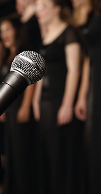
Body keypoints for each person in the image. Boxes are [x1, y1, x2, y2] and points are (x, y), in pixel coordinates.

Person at [33, 0, 83, 193]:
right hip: (45, 103)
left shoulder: (68, 32)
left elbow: (74, 70)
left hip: (59, 100)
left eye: (42, 6)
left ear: (57, 8)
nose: (39, 11)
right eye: (36, 7)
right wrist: (36, 101)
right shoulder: (45, 38)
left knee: (60, 154)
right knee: (46, 154)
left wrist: (68, 103)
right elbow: (41, 73)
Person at [0, 18, 37, 194]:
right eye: (1, 31)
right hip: (11, 107)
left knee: (22, 152)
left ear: (17, 31)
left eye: (7, 29)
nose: (3, 34)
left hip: (21, 105)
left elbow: (31, 81)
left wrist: (26, 105)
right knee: (12, 150)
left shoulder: (24, 53)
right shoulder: (8, 54)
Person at [72, 1, 101, 193]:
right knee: (93, 139)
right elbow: (87, 59)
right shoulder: (86, 17)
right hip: (94, 80)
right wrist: (82, 96)